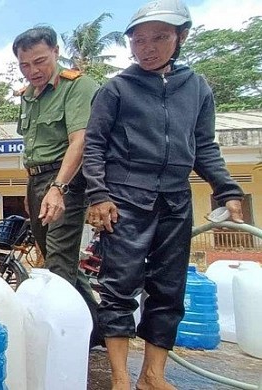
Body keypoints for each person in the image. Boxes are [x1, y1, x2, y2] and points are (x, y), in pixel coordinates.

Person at [83, 1, 245, 388]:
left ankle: (152, 375)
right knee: (119, 287)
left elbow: (204, 145)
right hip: (124, 200)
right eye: (139, 39)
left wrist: (227, 189)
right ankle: (121, 377)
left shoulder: (197, 87)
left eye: (159, 37)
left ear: (181, 37)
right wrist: (99, 195)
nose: (147, 47)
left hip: (175, 200)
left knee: (169, 289)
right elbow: (94, 146)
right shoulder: (117, 88)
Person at [12, 26, 103, 348]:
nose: (33, 71)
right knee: (54, 254)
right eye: (25, 65)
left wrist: (58, 188)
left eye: (39, 61)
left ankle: (58, 342)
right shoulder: (28, 96)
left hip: (67, 180)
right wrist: (32, 189)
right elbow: (33, 147)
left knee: (57, 266)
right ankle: (99, 330)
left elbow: (80, 140)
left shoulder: (78, 87)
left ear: (55, 52)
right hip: (38, 180)